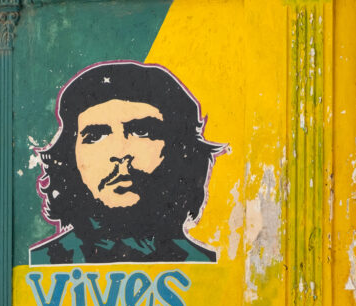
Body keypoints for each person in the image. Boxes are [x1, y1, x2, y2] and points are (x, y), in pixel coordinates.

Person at [30, 61, 227, 265]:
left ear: (182, 150)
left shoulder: (205, 267)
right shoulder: (42, 264)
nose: (119, 152)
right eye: (95, 136)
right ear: (68, 157)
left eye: (142, 132)